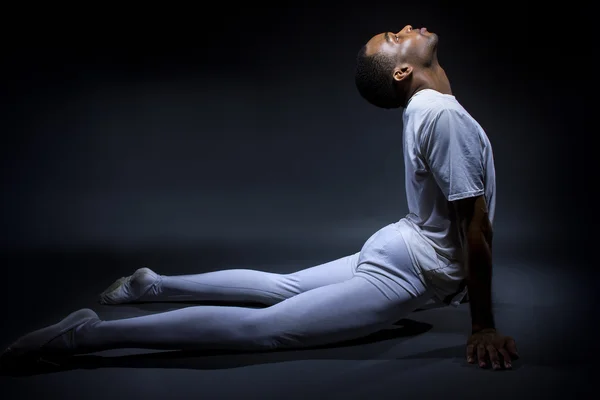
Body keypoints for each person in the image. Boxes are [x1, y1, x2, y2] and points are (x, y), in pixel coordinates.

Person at [0, 25, 518, 371]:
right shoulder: (441, 113)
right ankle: (82, 338)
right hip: (409, 268)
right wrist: (484, 326)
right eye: (392, 36)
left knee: (282, 286)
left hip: (400, 243)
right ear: (402, 71)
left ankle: (154, 285)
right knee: (266, 331)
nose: (404, 28)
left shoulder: (428, 109)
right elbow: (477, 228)